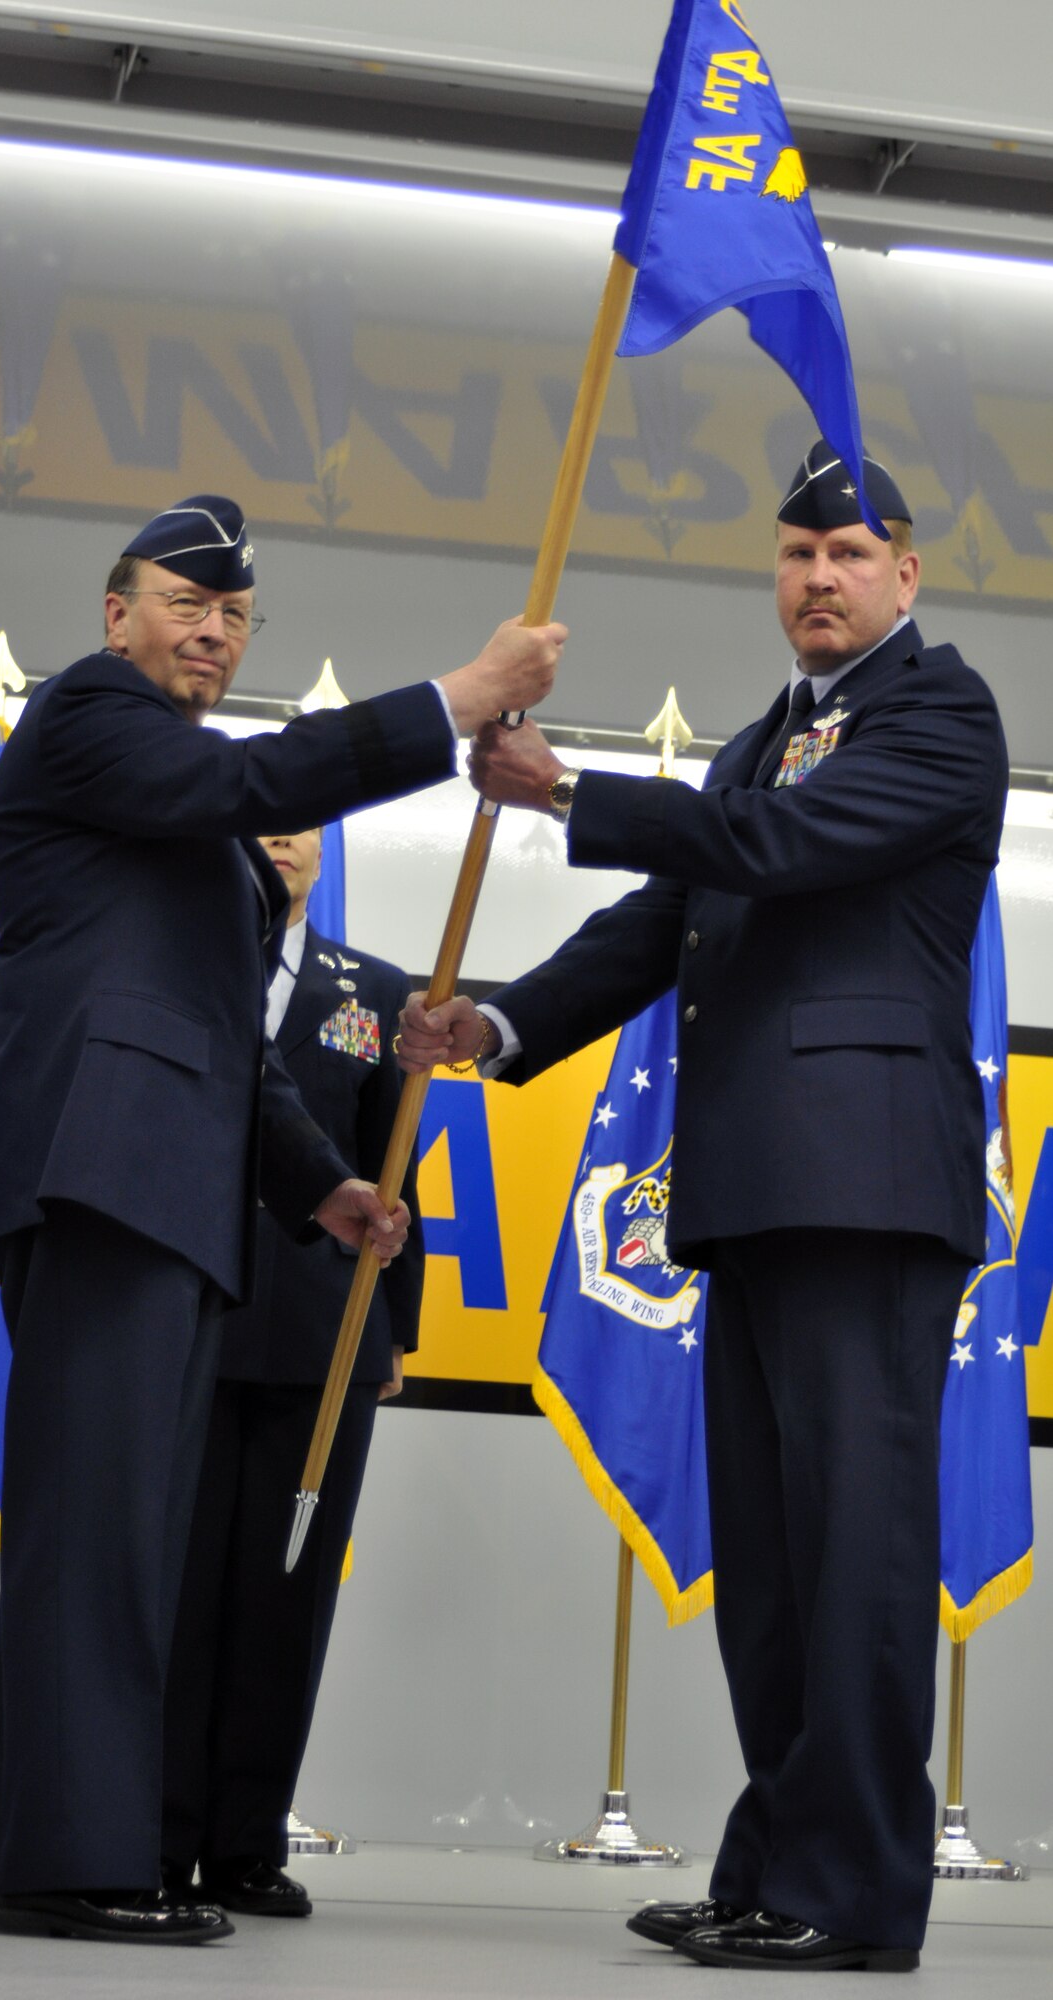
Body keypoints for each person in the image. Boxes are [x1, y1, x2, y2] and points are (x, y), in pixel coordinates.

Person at [398, 442, 1009, 1973]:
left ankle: (853, 1894)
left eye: (848, 555)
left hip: (864, 1190)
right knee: (776, 1560)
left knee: (854, 1553)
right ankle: (773, 1868)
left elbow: (783, 851)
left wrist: (574, 788)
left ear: (903, 576)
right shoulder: (759, 739)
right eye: (796, 556)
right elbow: (662, 918)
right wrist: (503, 1028)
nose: (817, 578)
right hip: (752, 1192)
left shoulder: (940, 711)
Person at [0, 494, 565, 1945]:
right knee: (101, 1537)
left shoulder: (186, 819)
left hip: (164, 1197)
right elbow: (256, 780)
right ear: (116, 616)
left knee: (112, 1536)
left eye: (233, 617)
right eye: (185, 602)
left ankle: (36, 1855)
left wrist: (325, 1189)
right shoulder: (90, 718)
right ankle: (74, 1867)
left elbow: (227, 1047)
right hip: (102, 1180)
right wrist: (457, 701)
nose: (211, 630)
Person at [161, 825, 423, 1916]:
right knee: (174, 1588)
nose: (285, 837)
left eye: (307, 824)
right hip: (187, 1307)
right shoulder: (183, 953)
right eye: (268, 816)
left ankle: (245, 1843)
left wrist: (392, 1337)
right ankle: (148, 1831)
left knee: (286, 1590)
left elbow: (398, 1165)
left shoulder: (375, 987)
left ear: (326, 852)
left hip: (323, 1325)